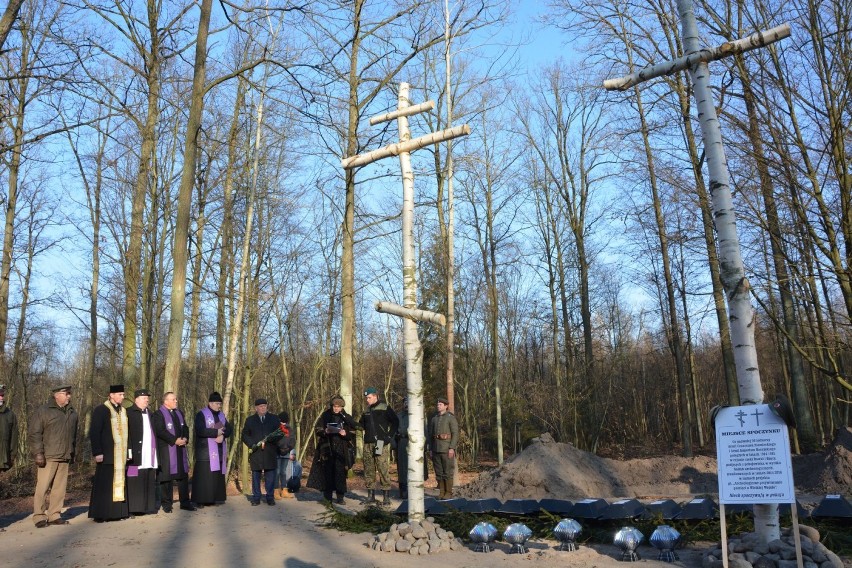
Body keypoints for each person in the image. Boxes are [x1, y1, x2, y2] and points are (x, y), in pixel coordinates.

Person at [27, 385, 78, 528]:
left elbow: (73, 436)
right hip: (48, 456)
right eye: (66, 393)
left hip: (65, 455)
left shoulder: (73, 413)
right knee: (42, 487)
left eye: (69, 393)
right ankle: (39, 516)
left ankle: (54, 514)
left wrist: (72, 453)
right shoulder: (43, 411)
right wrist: (38, 453)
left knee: (59, 489)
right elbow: (34, 433)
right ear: (57, 395)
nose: (69, 396)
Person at [88, 384, 130, 522]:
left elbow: (127, 434)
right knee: (104, 485)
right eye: (120, 394)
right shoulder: (101, 410)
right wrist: (97, 452)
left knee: (119, 483)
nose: (122, 397)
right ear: (111, 395)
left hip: (120, 454)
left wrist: (128, 451)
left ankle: (117, 513)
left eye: (123, 395)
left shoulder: (123, 411)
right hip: (106, 454)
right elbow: (95, 432)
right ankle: (101, 513)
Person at [306, 396, 357, 504]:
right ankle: (327, 497)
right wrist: (325, 431)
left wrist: (345, 433)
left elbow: (353, 431)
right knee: (327, 472)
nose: (336, 408)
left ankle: (340, 497)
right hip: (327, 447)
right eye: (335, 406)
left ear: (342, 407)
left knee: (340, 473)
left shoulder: (346, 417)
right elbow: (317, 429)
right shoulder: (326, 415)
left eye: (338, 407)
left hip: (341, 448)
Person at [151, 391, 194, 512]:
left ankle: (185, 502)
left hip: (180, 450)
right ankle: (167, 505)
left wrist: (185, 438)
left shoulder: (179, 413)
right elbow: (160, 430)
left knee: (183, 477)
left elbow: (185, 427)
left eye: (176, 399)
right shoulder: (158, 414)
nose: (176, 401)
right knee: (167, 479)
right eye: (173, 399)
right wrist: (174, 440)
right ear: (166, 402)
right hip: (166, 450)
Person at [358, 387, 398, 505]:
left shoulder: (385, 408)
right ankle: (371, 496)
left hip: (380, 443)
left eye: (369, 397)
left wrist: (389, 436)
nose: (367, 400)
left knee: (382, 467)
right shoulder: (366, 411)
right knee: (369, 469)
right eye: (366, 398)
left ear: (376, 396)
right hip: (368, 443)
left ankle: (386, 497)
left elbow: (395, 422)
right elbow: (361, 425)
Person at [192, 391, 232, 507]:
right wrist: (217, 432)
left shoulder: (221, 415)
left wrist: (223, 436)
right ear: (210, 403)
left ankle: (215, 498)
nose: (219, 406)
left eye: (220, 403)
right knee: (204, 478)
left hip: (218, 451)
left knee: (215, 477)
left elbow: (229, 429)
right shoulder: (201, 414)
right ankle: (200, 500)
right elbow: (200, 430)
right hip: (205, 451)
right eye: (216, 403)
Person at [241, 398, 280, 506]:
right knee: (256, 475)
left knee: (271, 476)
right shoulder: (250, 420)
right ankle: (256, 497)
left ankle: (270, 497)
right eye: (260, 406)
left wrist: (272, 439)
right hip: (256, 452)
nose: (263, 408)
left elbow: (280, 433)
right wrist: (252, 444)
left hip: (270, 451)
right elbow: (244, 435)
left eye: (264, 406)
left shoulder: (274, 419)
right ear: (256, 408)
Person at [126, 389, 158, 515]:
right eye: (144, 398)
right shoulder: (128, 413)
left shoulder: (150, 414)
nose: (147, 400)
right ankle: (133, 508)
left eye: (147, 398)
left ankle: (147, 506)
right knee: (134, 480)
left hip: (149, 453)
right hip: (135, 454)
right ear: (136, 399)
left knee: (147, 478)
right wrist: (128, 452)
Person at [428, 396, 458, 500]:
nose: (438, 406)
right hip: (436, 449)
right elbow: (430, 435)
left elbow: (455, 433)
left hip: (446, 448)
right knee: (439, 472)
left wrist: (452, 448)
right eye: (437, 404)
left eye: (440, 405)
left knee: (448, 472)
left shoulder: (450, 418)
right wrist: (431, 449)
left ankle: (448, 492)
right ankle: (441, 492)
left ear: (446, 406)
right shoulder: (434, 419)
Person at [274, 411, 295, 499]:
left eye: (284, 421)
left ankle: (284, 490)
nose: (283, 423)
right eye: (281, 421)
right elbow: (274, 439)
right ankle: (275, 490)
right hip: (277, 453)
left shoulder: (290, 429)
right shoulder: (276, 428)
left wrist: (288, 449)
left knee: (283, 472)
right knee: (277, 472)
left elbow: (293, 440)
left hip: (286, 453)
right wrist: (279, 448)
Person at [0, 384, 17, 472]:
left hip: (2, 457)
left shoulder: (10, 415)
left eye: (2, 395)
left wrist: (12, 456)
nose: (1, 397)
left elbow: (13, 437)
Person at [394, 397, 409, 499]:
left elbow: (424, 430)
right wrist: (394, 446)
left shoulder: (417, 416)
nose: (407, 405)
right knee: (402, 469)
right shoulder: (398, 416)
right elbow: (393, 431)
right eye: (405, 403)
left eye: (408, 402)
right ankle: (403, 490)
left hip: (413, 443)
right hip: (401, 443)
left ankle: (413, 490)